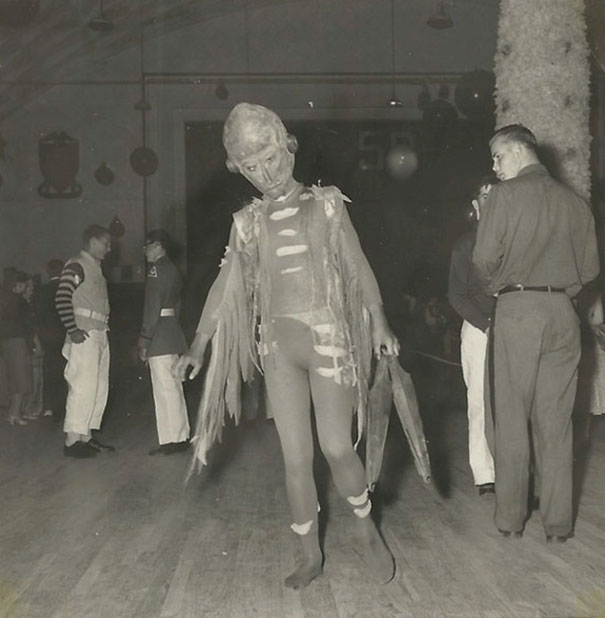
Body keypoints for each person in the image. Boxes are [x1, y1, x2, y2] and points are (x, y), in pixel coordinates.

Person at [174, 103, 399, 589]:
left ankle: (365, 525)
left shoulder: (327, 205)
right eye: (251, 167)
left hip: (328, 342)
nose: (265, 173)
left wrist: (379, 323)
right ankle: (309, 553)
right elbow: (225, 285)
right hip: (278, 350)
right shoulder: (247, 223)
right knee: (295, 458)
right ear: (239, 170)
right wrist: (198, 344)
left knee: (336, 446)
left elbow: (357, 266)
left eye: (270, 159)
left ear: (288, 148)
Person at [473, 124, 599, 542]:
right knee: (557, 422)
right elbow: (589, 269)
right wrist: (562, 294)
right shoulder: (575, 202)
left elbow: (483, 259)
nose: (495, 167)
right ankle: (558, 525)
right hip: (563, 314)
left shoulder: (503, 196)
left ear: (518, 150)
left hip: (518, 311)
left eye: (498, 156)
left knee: (510, 417)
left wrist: (501, 288)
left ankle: (511, 520)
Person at [448, 175, 497, 496]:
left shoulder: (516, 241)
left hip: (515, 331)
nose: (491, 202)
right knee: (479, 401)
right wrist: (486, 324)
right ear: (475, 206)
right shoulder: (465, 245)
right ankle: (485, 474)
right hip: (480, 332)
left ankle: (514, 470)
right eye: (485, 197)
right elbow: (457, 295)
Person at [55, 225, 115, 458]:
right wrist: (73, 330)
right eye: (105, 244)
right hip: (84, 333)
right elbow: (61, 298)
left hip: (99, 332)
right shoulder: (77, 265)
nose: (109, 249)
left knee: (98, 388)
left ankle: (86, 436)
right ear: (92, 241)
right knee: (82, 386)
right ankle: (72, 441)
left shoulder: (96, 268)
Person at [139, 229, 190, 456]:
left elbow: (152, 307)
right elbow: (176, 306)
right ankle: (179, 436)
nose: (145, 250)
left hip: (158, 336)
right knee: (174, 387)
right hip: (172, 333)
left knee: (164, 389)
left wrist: (144, 340)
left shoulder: (156, 270)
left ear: (158, 245)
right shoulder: (174, 270)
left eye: (147, 246)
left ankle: (171, 440)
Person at [0, 271, 34, 425]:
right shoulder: (19, 301)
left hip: (7, 342)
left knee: (13, 379)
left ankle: (13, 413)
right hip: (18, 341)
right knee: (21, 379)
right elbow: (27, 325)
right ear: (18, 285)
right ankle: (15, 414)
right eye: (24, 285)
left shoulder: (5, 299)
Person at [35, 259, 67, 421]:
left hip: (47, 337)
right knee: (64, 370)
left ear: (48, 272)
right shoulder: (65, 289)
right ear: (62, 271)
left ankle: (48, 407)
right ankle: (63, 407)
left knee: (49, 371)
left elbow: (38, 316)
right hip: (63, 335)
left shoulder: (41, 290)